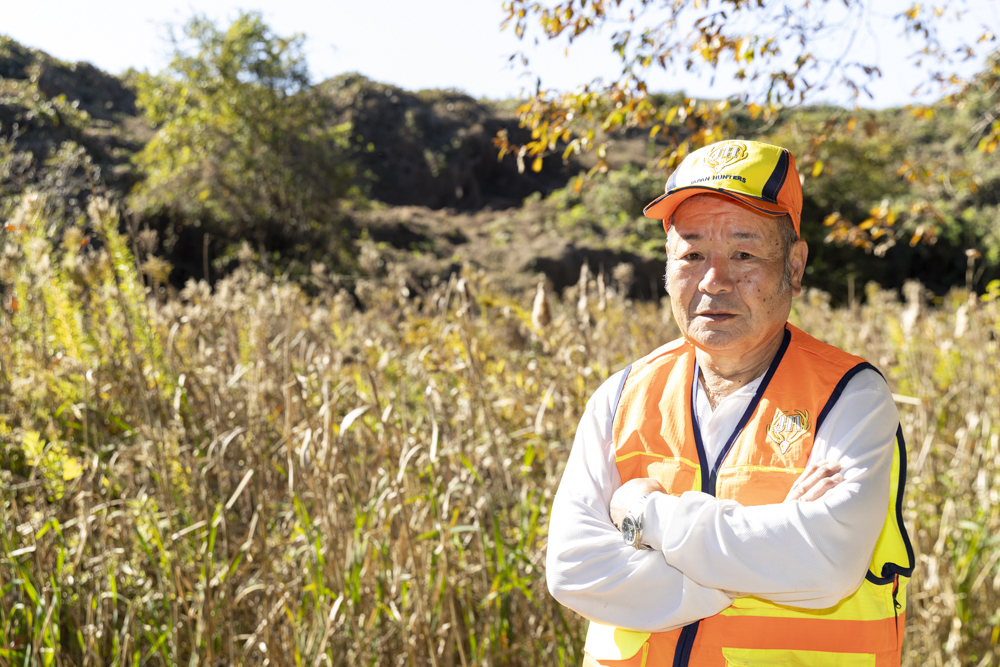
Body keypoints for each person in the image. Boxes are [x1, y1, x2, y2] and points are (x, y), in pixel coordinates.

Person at [545, 140, 914, 667]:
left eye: (743, 254)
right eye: (692, 255)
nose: (714, 281)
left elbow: (826, 564)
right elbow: (574, 569)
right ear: (668, 268)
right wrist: (765, 559)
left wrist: (645, 518)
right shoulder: (622, 395)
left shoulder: (850, 396)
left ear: (794, 265)